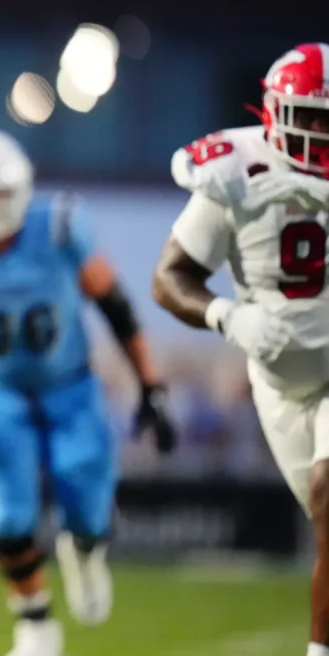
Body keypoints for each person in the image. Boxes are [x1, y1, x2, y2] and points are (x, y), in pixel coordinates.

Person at [0, 129, 175, 656]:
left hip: (69, 388)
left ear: (22, 192)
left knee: (89, 511)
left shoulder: (58, 227)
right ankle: (36, 625)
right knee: (6, 516)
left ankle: (85, 548)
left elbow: (116, 306)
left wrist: (151, 386)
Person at [152, 42, 329, 656]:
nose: (317, 132)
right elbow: (169, 279)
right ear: (274, 112)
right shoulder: (234, 169)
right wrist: (230, 316)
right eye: (307, 116)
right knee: (323, 521)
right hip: (278, 380)